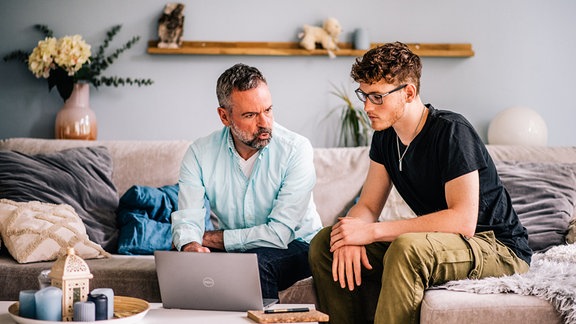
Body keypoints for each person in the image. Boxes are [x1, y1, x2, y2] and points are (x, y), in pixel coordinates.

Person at [308, 42, 532, 324]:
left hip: (496, 247)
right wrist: (350, 235)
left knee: (407, 248)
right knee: (325, 243)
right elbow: (367, 205)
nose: (366, 106)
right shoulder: (385, 137)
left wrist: (372, 232)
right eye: (363, 95)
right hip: (447, 243)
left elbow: (462, 221)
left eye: (377, 97)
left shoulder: (452, 131)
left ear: (409, 93)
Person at [171, 63, 323, 299]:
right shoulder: (199, 153)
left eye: (268, 110)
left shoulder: (296, 150)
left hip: (298, 244)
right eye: (251, 115)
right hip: (241, 248)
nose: (265, 123)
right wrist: (191, 245)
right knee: (178, 257)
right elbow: (188, 219)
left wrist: (212, 238)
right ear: (224, 116)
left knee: (254, 265)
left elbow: (279, 234)